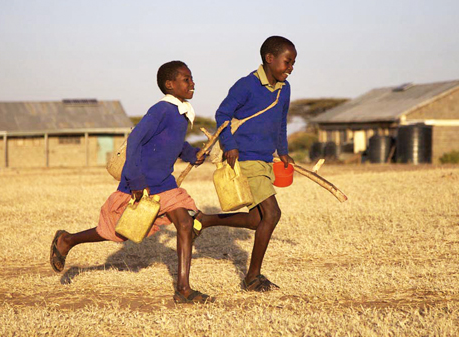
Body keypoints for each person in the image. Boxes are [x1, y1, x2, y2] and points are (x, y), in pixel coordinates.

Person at [49, 60, 213, 304]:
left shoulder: (181, 113)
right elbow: (135, 140)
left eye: (192, 78)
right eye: (186, 79)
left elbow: (173, 143)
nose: (193, 83)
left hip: (165, 184)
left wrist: (192, 154)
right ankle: (67, 240)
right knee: (116, 232)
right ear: (170, 85)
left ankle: (183, 289)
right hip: (142, 183)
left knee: (186, 225)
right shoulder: (161, 110)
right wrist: (136, 180)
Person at [195, 36, 297, 292]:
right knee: (272, 214)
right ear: (269, 59)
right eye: (287, 62)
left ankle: (205, 220)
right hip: (246, 160)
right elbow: (222, 114)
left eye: (294, 63)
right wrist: (229, 145)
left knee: (255, 220)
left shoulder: (285, 90)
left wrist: (283, 151)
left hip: (264, 160)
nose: (290, 68)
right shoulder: (246, 85)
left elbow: (281, 122)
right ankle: (252, 277)